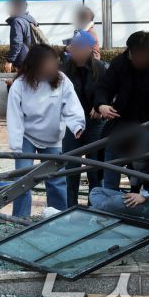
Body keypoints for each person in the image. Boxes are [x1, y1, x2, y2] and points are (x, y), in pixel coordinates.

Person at [94, 30, 149, 190]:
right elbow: (104, 87)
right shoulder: (121, 63)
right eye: (134, 56)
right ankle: (108, 195)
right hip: (123, 122)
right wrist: (101, 104)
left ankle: (144, 196)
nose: (137, 61)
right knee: (111, 152)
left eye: (142, 57)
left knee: (147, 163)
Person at [7, 44, 86, 217]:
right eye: (46, 65)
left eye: (53, 64)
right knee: (22, 179)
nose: (51, 68)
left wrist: (77, 125)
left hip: (53, 136)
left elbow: (71, 105)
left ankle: (58, 217)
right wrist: (16, 146)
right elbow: (14, 117)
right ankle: (20, 219)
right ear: (35, 65)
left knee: (56, 180)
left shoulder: (62, 80)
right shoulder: (19, 85)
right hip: (26, 136)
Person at [89, 127, 149, 224]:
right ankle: (104, 211)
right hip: (141, 198)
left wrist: (145, 195)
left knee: (114, 202)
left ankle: (100, 212)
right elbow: (134, 182)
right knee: (95, 192)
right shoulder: (137, 149)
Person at [60, 31, 108, 207]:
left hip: (96, 124)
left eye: (80, 48)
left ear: (89, 49)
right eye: (73, 47)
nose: (76, 51)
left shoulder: (101, 68)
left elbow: (107, 92)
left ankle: (93, 207)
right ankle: (70, 207)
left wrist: (100, 105)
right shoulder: (63, 69)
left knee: (94, 168)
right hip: (73, 125)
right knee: (71, 167)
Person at [4, 0, 38, 73]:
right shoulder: (28, 20)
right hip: (31, 58)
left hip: (23, 61)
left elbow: (17, 43)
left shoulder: (17, 21)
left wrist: (9, 61)